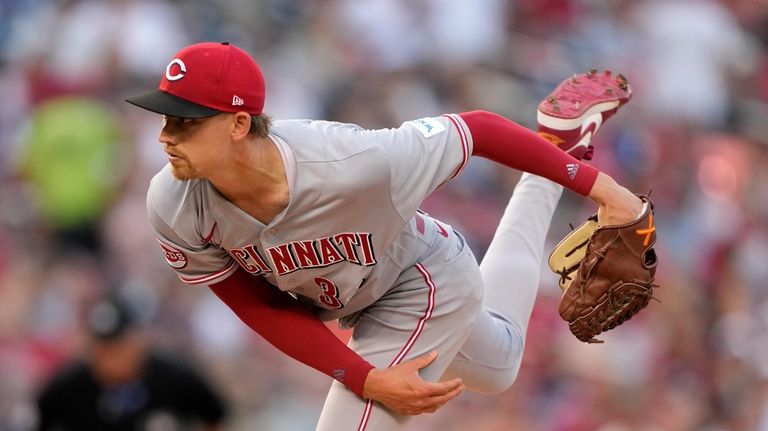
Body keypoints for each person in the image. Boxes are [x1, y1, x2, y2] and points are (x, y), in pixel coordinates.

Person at [125, 42, 644, 430]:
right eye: (168, 118)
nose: (165, 136)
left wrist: (606, 192)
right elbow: (261, 307)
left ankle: (558, 161)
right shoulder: (172, 202)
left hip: (422, 277)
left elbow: (478, 129)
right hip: (362, 304)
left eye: (186, 122)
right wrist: (361, 373)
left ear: (240, 124)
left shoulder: (353, 162)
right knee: (502, 363)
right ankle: (559, 144)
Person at [35, 298, 228, 430]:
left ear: (138, 342)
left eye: (117, 348)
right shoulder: (67, 389)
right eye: (101, 350)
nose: (109, 360)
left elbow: (214, 415)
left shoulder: (174, 377)